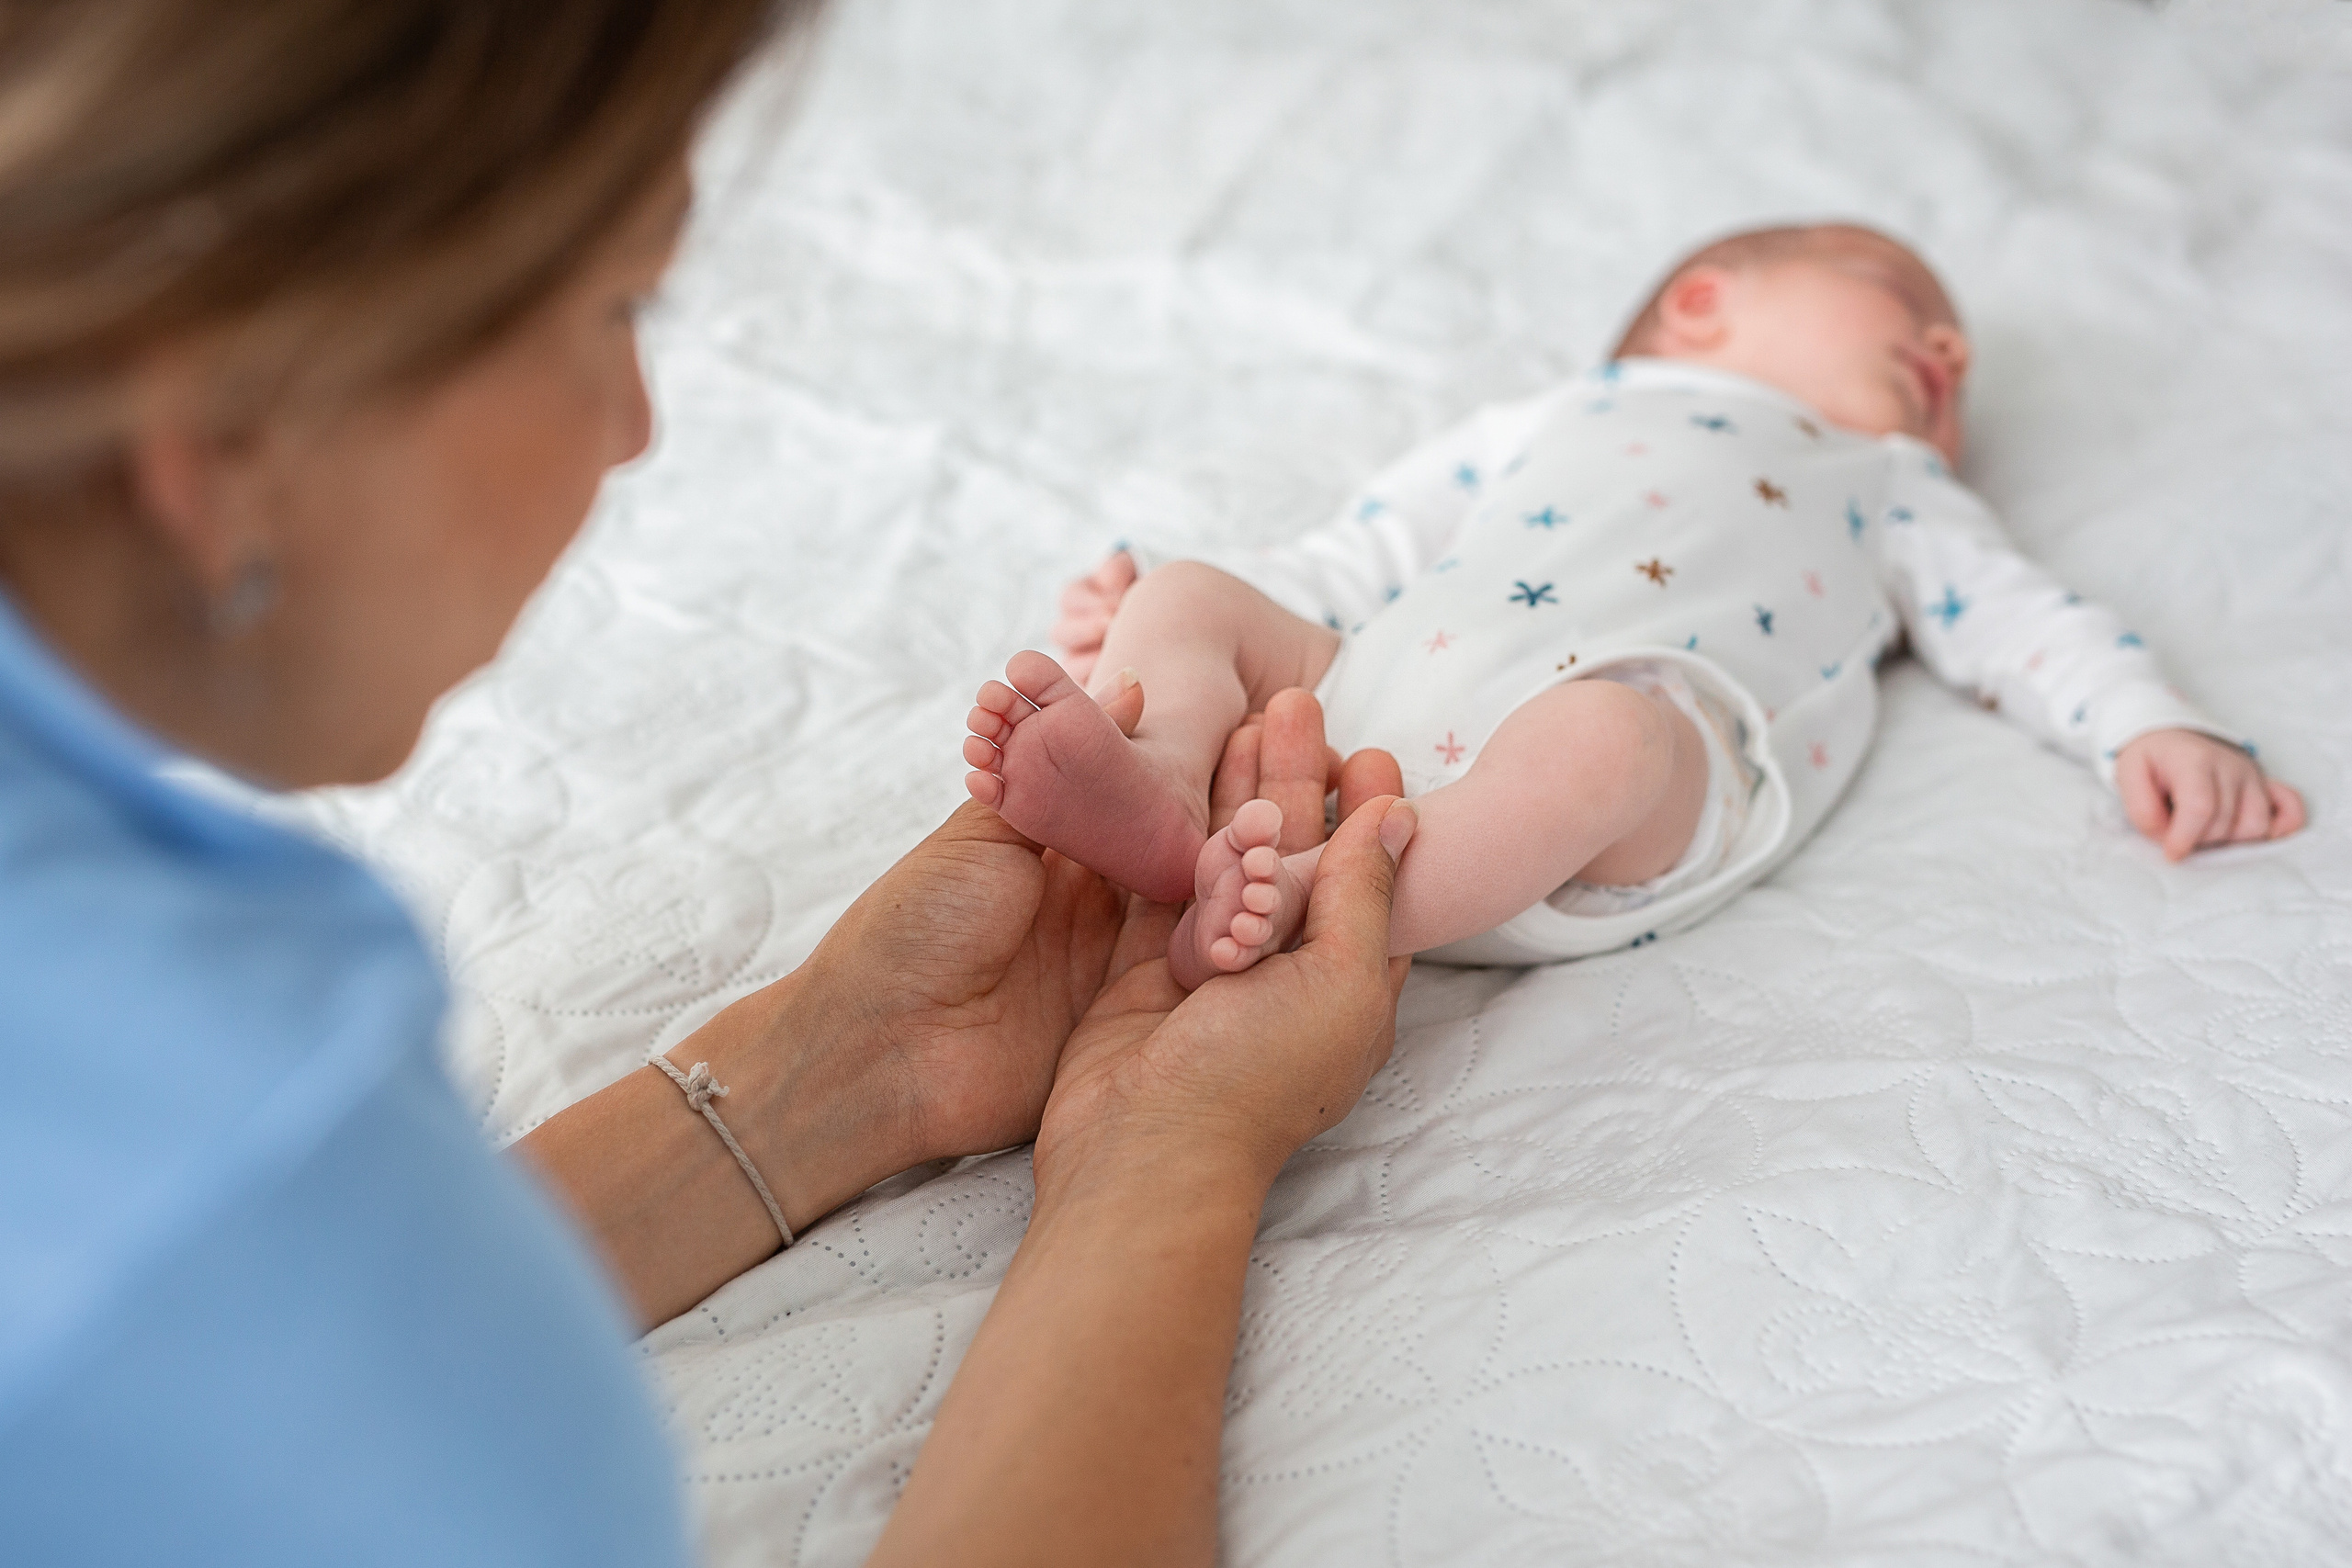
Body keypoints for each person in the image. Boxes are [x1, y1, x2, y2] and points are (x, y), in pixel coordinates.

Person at [0, 3, 1413, 1563]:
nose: (637, 428)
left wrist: (841, 1062)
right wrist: (1163, 1159)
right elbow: (228, 1281)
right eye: (616, 311)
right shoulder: (205, 1124)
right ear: (232, 423)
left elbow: (237, 1352)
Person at [979, 223, 2308, 988]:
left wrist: (2147, 722)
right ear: (1702, 304)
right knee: (1197, 590)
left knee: (1607, 740)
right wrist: (1162, 615)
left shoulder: (1887, 480)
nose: (1947, 348)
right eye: (1902, 301)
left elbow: (2028, 618)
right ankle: (1156, 787)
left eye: (1947, 345)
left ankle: (1321, 900)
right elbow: (1370, 542)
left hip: (1614, 785)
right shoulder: (1563, 412)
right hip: (1368, 694)